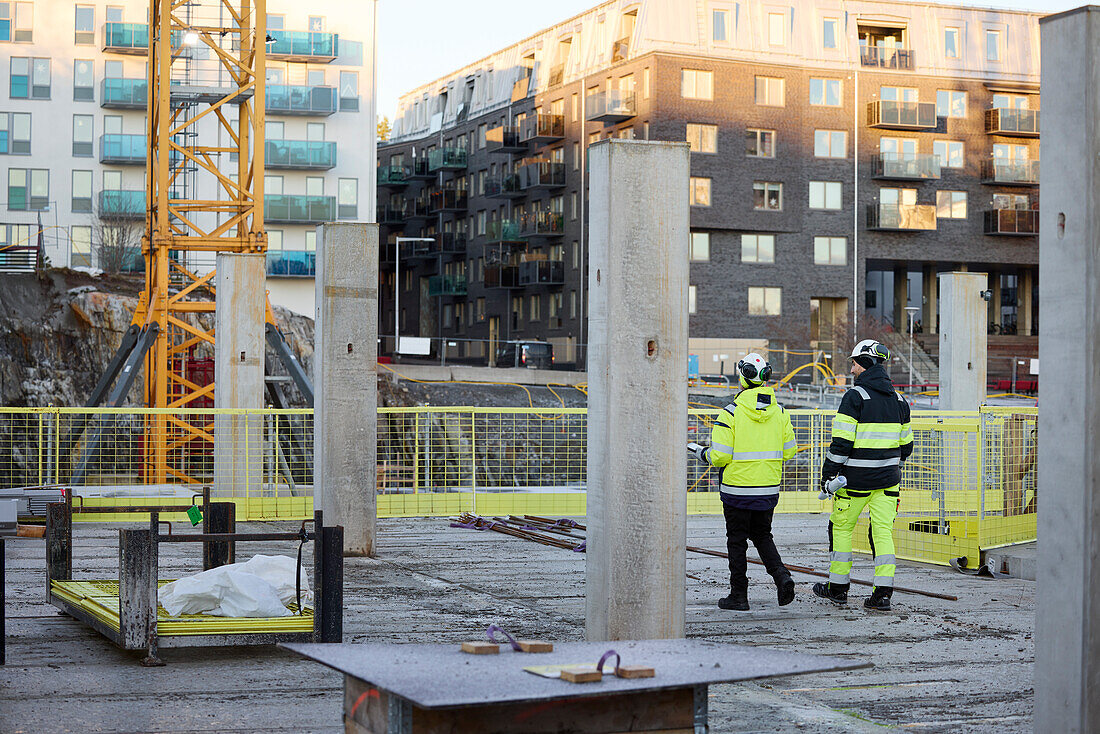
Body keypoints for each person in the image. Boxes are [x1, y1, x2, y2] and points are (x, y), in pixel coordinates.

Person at [688, 353, 797, 611]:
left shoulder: (730, 414)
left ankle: (739, 595)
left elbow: (721, 456)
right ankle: (782, 576)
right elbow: (790, 450)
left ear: (742, 377)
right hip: (768, 489)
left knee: (737, 540)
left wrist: (701, 452)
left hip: (736, 490)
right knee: (762, 534)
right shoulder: (780, 412)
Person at [813, 339, 913, 611]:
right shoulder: (900, 400)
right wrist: (887, 464)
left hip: (854, 482)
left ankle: (837, 589)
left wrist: (828, 474)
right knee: (882, 533)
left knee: (841, 529)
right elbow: (907, 447)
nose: (853, 368)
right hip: (889, 481)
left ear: (865, 363)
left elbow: (841, 445)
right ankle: (882, 594)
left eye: (855, 362)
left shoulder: (854, 397)